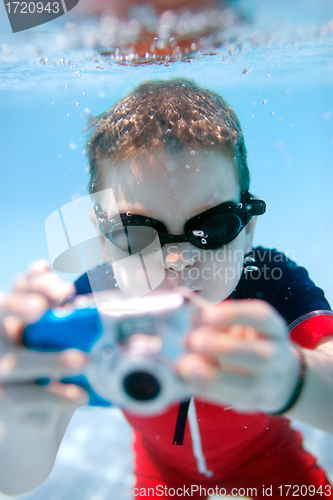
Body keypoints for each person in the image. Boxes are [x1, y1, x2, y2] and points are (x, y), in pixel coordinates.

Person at [0, 80, 333, 499]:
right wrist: (20, 421)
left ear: (247, 230)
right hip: (163, 475)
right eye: (136, 233)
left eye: (213, 227)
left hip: (268, 460)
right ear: (103, 240)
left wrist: (294, 378)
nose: (177, 259)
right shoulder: (92, 303)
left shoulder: (270, 281)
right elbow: (14, 482)